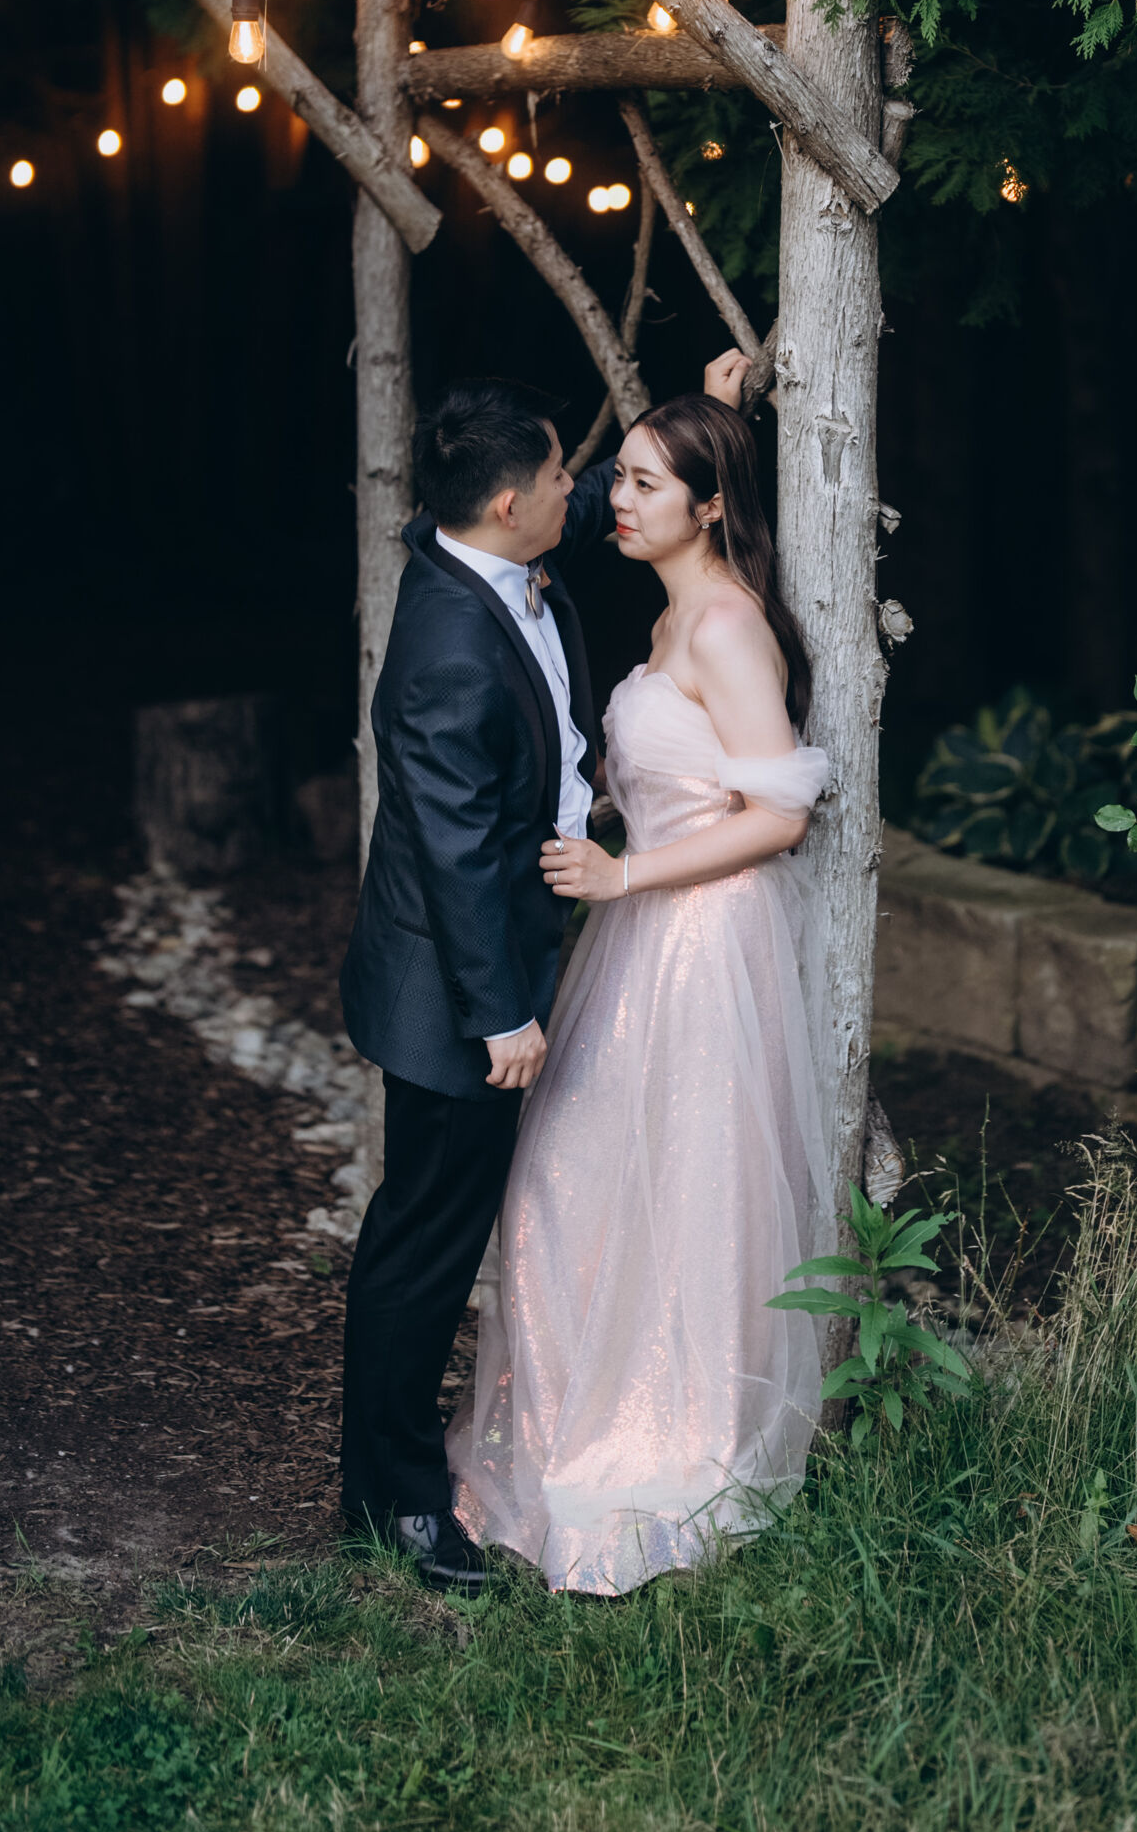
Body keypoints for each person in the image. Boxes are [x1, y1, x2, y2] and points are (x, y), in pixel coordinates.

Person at [337, 356, 749, 1592]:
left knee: (430, 1229)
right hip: (456, 999)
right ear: (511, 503)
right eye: (567, 474)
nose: (587, 489)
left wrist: (714, 412)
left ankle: (385, 1477)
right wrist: (502, 1017)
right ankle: (396, 1502)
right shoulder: (449, 651)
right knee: (425, 1243)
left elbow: (621, 491)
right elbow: (457, 856)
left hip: (497, 957)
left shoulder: (488, 540)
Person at [452, 389, 835, 1595]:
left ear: (708, 508)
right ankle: (574, 1420)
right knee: (566, 1185)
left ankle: (678, 1443)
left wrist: (624, 872)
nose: (615, 500)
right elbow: (681, 775)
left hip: (704, 940)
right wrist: (716, 408)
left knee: (692, 1187)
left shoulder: (724, 627)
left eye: (643, 484)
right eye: (615, 476)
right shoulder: (671, 612)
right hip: (637, 936)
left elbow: (778, 816)